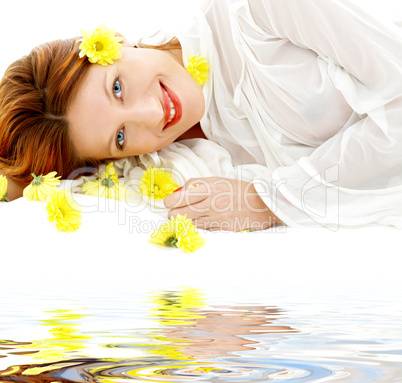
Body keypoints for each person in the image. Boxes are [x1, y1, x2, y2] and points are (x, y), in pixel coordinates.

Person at [1, 0, 402, 231]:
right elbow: (22, 182)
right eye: (120, 136)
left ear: (115, 40)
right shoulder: (160, 165)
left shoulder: (256, 13)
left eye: (117, 87)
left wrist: (271, 199)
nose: (154, 113)